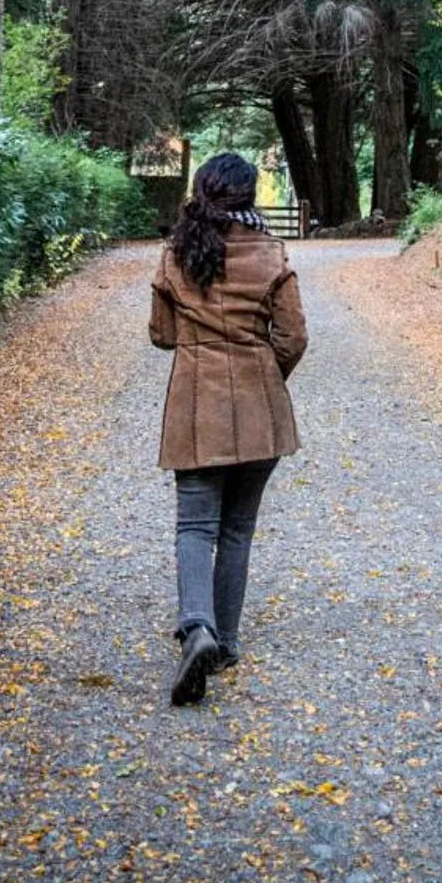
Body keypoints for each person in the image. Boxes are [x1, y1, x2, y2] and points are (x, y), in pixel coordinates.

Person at [148, 152, 308, 706]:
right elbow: (293, 338)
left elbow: (162, 336)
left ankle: (198, 628)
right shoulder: (271, 254)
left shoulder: (175, 255)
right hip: (260, 411)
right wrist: (265, 374)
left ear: (202, 191)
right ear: (249, 196)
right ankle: (228, 640)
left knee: (195, 527)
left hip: (196, 408)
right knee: (237, 530)